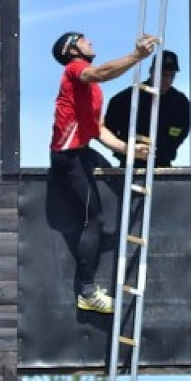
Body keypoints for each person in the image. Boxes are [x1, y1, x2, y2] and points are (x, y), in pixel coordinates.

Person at [50, 31, 156, 314]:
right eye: (84, 40)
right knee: (93, 220)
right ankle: (86, 292)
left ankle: (88, 289)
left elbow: (97, 129)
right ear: (72, 50)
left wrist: (128, 150)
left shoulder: (94, 88)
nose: (91, 42)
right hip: (67, 155)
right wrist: (137, 57)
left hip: (82, 151)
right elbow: (101, 72)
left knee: (97, 212)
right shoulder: (76, 70)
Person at [104, 50, 190, 168]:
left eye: (171, 75)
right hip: (129, 164)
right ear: (151, 71)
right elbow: (109, 129)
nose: (167, 79)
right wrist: (124, 149)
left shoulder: (181, 103)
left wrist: (166, 148)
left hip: (162, 163)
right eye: (163, 74)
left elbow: (183, 130)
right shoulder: (126, 98)